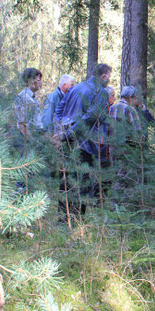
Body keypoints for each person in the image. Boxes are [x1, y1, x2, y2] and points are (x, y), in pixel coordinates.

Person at [54, 63, 112, 215]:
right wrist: (70, 133)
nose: (108, 81)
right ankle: (75, 221)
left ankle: (63, 218)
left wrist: (63, 130)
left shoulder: (75, 88)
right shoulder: (101, 91)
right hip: (83, 144)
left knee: (66, 179)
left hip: (68, 142)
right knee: (82, 183)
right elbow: (91, 117)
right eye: (109, 78)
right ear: (103, 76)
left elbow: (59, 111)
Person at [109, 86, 143, 197]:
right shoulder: (130, 110)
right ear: (130, 97)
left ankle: (118, 202)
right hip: (127, 148)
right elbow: (137, 130)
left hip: (113, 146)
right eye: (134, 98)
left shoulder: (112, 108)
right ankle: (118, 203)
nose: (135, 100)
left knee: (117, 173)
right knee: (125, 175)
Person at [14, 68, 43, 142]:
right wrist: (32, 142)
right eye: (39, 80)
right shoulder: (24, 97)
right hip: (26, 140)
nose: (41, 82)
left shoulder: (32, 97)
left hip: (33, 137)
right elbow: (22, 125)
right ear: (30, 81)